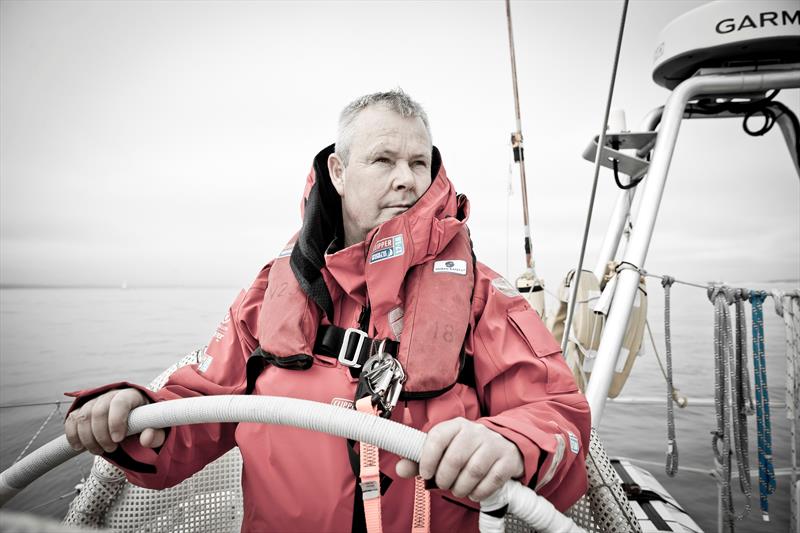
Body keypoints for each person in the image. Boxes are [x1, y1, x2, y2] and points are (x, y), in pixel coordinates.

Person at [64, 90, 591, 532]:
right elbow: (195, 412)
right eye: (383, 160)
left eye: (419, 162)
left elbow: (558, 416)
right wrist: (129, 416)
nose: (407, 179)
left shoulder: (482, 294)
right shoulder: (270, 290)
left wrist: (509, 444)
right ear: (338, 172)